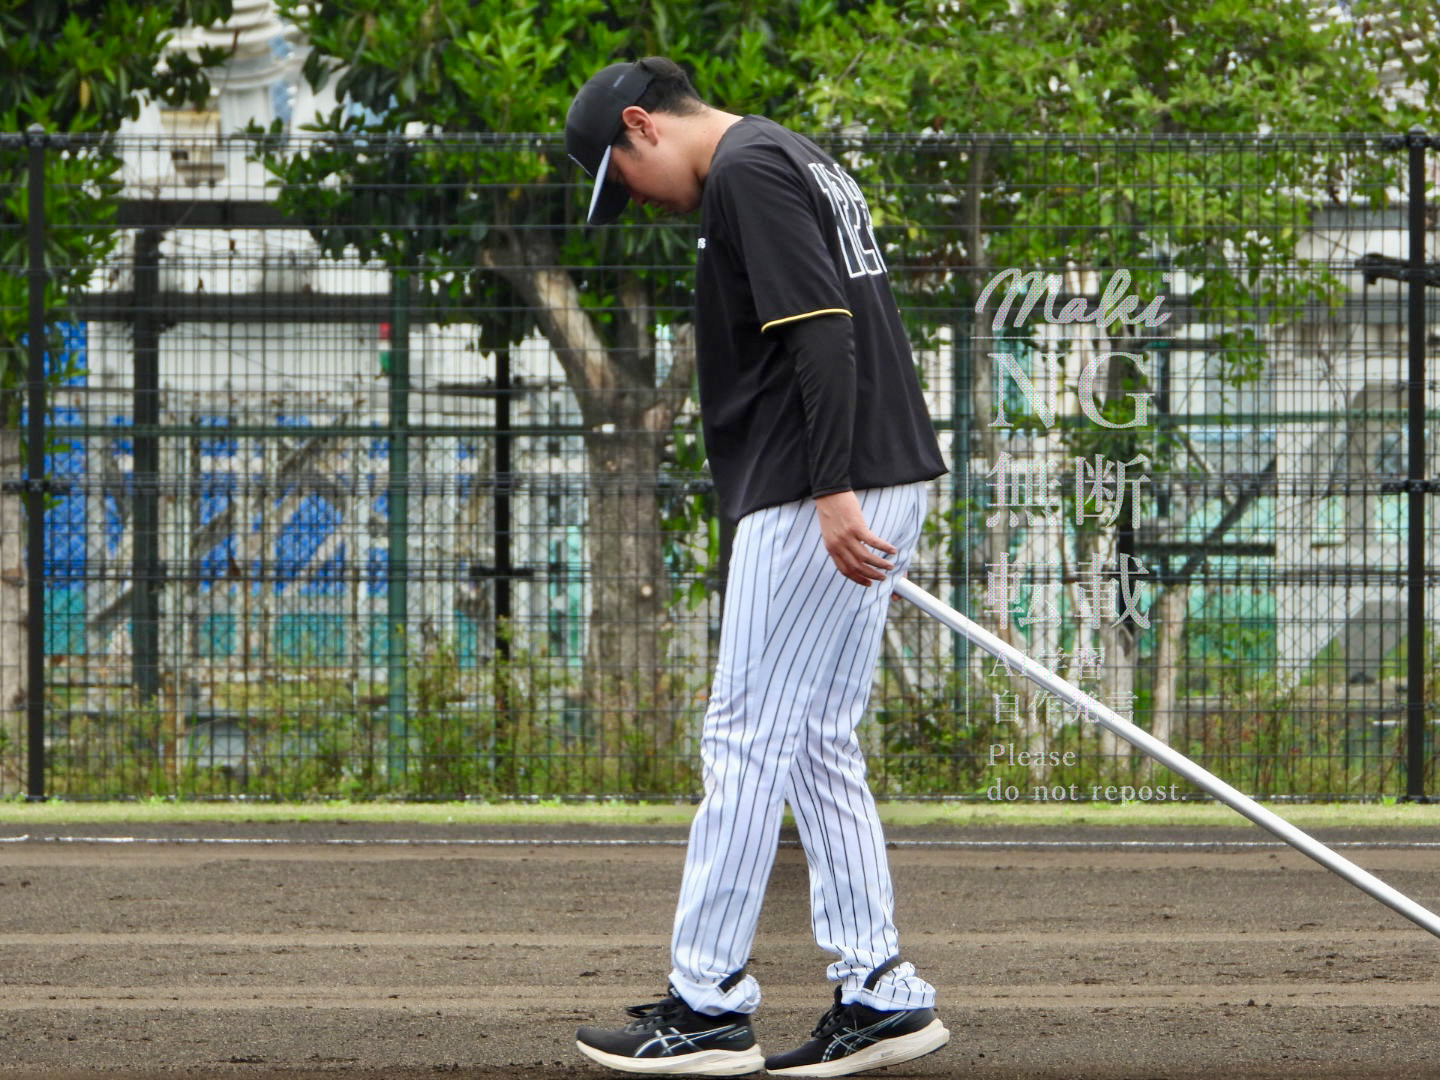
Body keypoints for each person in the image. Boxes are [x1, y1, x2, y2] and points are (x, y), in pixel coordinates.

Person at [563, 57, 950, 1078]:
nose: (638, 203)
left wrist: (830, 489)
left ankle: (706, 1003)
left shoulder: (746, 170)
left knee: (744, 735)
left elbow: (822, 333)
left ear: (642, 125)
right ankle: (879, 990)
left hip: (817, 486)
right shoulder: (791, 154)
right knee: (815, 738)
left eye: (621, 177)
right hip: (867, 474)